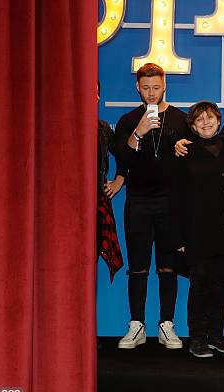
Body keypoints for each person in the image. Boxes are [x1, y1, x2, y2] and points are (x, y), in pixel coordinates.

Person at [114, 63, 192, 350]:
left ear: (165, 85)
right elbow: (123, 158)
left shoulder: (181, 119)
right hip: (138, 201)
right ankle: (136, 324)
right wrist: (139, 132)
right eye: (145, 88)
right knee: (137, 266)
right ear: (137, 87)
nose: (151, 93)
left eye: (156, 87)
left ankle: (166, 324)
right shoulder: (128, 121)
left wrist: (184, 148)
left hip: (170, 203)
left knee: (168, 267)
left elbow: (192, 162)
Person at [173, 101, 224, 358]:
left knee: (221, 286)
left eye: (210, 117)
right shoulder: (184, 152)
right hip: (196, 232)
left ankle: (217, 335)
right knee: (199, 286)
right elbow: (176, 198)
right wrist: (179, 237)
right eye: (200, 119)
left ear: (219, 120)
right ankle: (197, 338)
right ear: (193, 126)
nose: (206, 122)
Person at [97, 80, 126, 281]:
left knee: (90, 259)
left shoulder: (102, 128)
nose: (94, 96)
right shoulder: (59, 125)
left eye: (96, 92)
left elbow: (124, 156)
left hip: (96, 203)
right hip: (62, 208)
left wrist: (119, 180)